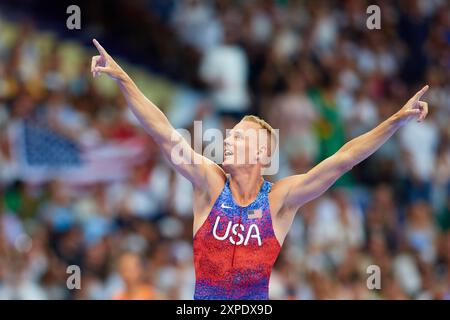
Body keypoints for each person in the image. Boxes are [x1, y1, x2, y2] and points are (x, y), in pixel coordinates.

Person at [91, 39, 429, 300]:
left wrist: (396, 121)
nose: (227, 140)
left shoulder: (279, 200)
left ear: (261, 152)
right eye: (229, 135)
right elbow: (163, 133)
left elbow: (344, 159)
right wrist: (124, 80)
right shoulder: (210, 182)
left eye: (238, 137)